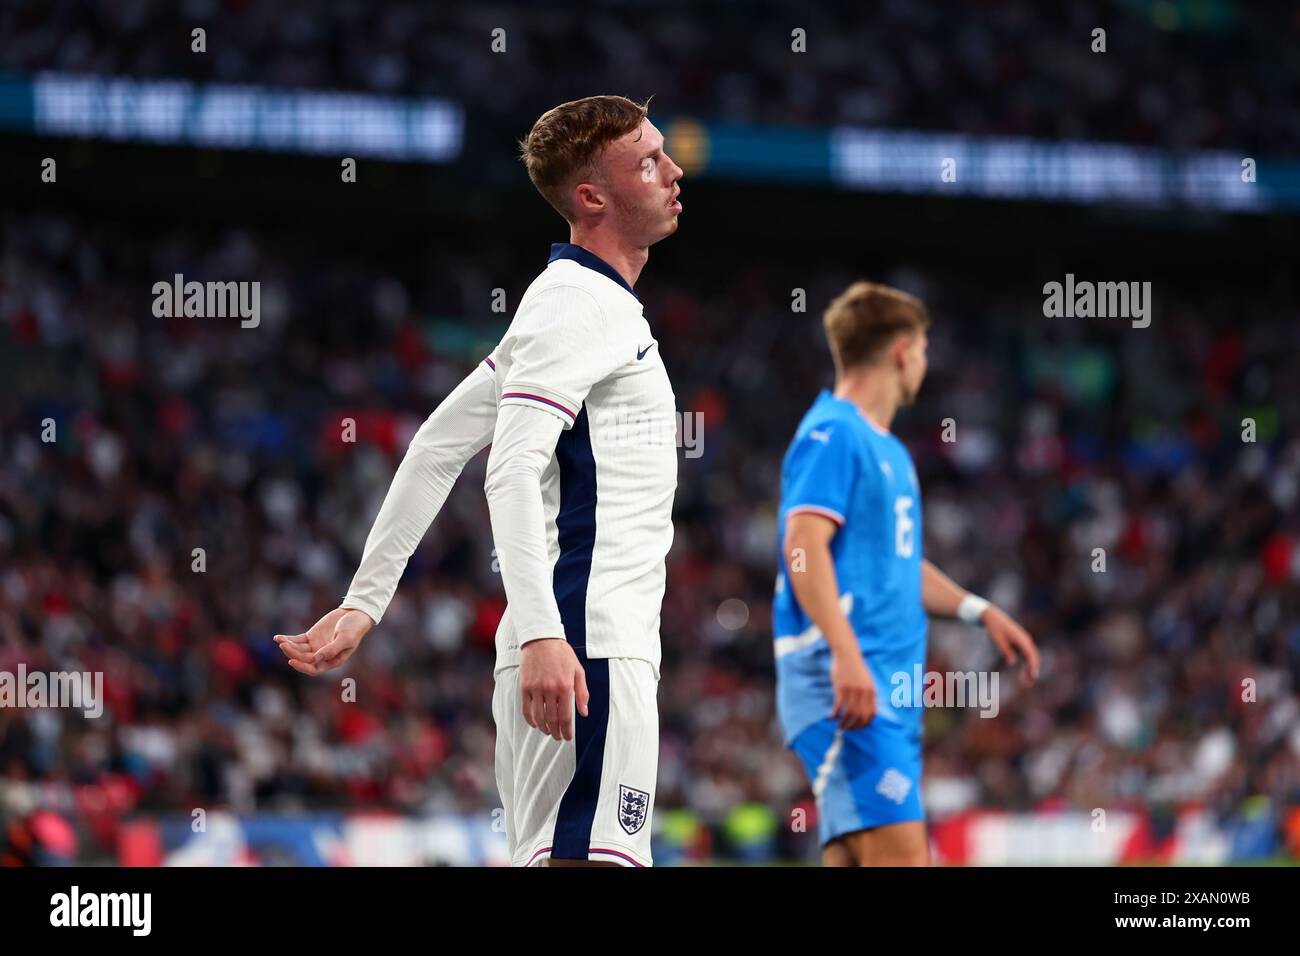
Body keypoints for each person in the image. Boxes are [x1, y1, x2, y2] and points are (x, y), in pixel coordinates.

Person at [275, 94, 684, 867]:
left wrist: (366, 601)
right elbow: (510, 465)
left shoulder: (577, 305)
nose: (673, 170)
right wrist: (542, 634)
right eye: (649, 160)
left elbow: (436, 445)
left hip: (574, 640)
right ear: (591, 197)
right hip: (584, 643)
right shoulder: (579, 304)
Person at [773, 281, 1040, 866]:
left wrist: (978, 610)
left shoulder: (888, 450)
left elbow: (896, 565)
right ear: (900, 350)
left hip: (880, 687)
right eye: (921, 347)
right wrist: (845, 653)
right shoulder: (834, 432)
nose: (923, 361)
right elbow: (802, 545)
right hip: (847, 681)